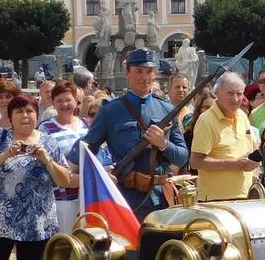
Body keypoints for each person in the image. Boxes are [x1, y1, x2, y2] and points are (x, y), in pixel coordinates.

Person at [77, 48, 189, 221]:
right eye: (138, 71)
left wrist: (163, 144)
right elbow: (87, 150)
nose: (144, 77)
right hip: (126, 198)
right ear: (127, 73)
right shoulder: (110, 111)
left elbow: (182, 157)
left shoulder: (167, 110)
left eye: (149, 71)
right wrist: (102, 174)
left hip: (162, 199)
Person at [0, 94, 71, 260]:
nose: (25, 116)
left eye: (29, 111)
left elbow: (64, 180)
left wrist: (46, 160)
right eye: (19, 112)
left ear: (37, 114)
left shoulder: (49, 141)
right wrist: (6, 154)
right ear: (11, 116)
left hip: (37, 222)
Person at [189, 73, 259, 202]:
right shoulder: (206, 121)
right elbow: (195, 162)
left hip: (246, 196)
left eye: (239, 94)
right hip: (217, 201)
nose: (235, 98)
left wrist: (254, 172)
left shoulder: (242, 116)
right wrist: (234, 164)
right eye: (230, 93)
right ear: (217, 93)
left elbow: (253, 149)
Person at [39, 82, 89, 233]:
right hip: (61, 199)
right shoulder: (46, 128)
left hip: (87, 196)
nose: (64, 104)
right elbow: (45, 163)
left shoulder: (86, 126)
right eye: (59, 100)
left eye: (68, 100)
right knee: (65, 245)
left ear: (76, 101)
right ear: (53, 103)